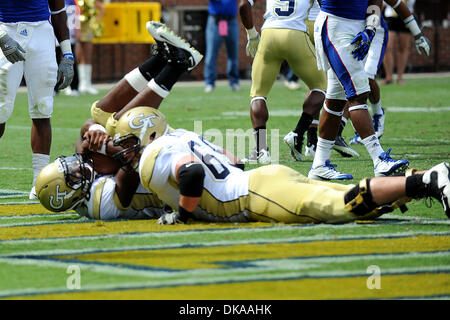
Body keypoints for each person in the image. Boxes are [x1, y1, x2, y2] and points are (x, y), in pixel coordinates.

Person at [106, 109, 450, 225]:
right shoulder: (180, 134)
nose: (124, 151)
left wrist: (182, 214)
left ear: (146, 133)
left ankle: (430, 179)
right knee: (369, 209)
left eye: (126, 142)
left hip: (254, 194)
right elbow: (232, 159)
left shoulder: (156, 152)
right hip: (263, 179)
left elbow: (192, 174)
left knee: (342, 207)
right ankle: (429, 182)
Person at [308, 0, 409, 181]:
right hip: (336, 26)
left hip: (357, 29)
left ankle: (319, 164)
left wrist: (370, 29)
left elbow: (375, 2)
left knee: (335, 100)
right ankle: (379, 159)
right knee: (359, 93)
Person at [0, 0, 75, 199]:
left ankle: (39, 182)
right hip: (5, 27)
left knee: (43, 107)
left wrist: (67, 54)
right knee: (1, 109)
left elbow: (58, 11)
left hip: (41, 31)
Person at [239, 0, 327, 164]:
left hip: (269, 34)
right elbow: (327, 8)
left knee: (258, 94)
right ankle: (298, 133)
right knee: (321, 87)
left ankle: (261, 149)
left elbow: (243, 5)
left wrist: (251, 34)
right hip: (296, 34)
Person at [343, 0, 431, 145]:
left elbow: (389, 5)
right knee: (348, 79)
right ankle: (341, 130)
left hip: (374, 30)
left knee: (366, 77)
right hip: (352, 30)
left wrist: (417, 33)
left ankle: (377, 114)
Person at [204, 0, 241, 93]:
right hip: (216, 21)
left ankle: (234, 82)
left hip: (231, 21)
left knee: (233, 54)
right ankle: (209, 83)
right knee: (211, 54)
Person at [383, 0, 418, 85]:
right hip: (390, 16)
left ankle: (400, 77)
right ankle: (389, 77)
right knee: (387, 46)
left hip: (406, 15)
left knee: (403, 47)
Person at [76, 0, 104, 94]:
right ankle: (76, 84)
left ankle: (86, 84)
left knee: (88, 55)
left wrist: (96, 21)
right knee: (77, 55)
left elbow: (101, 8)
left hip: (88, 28)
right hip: (77, 27)